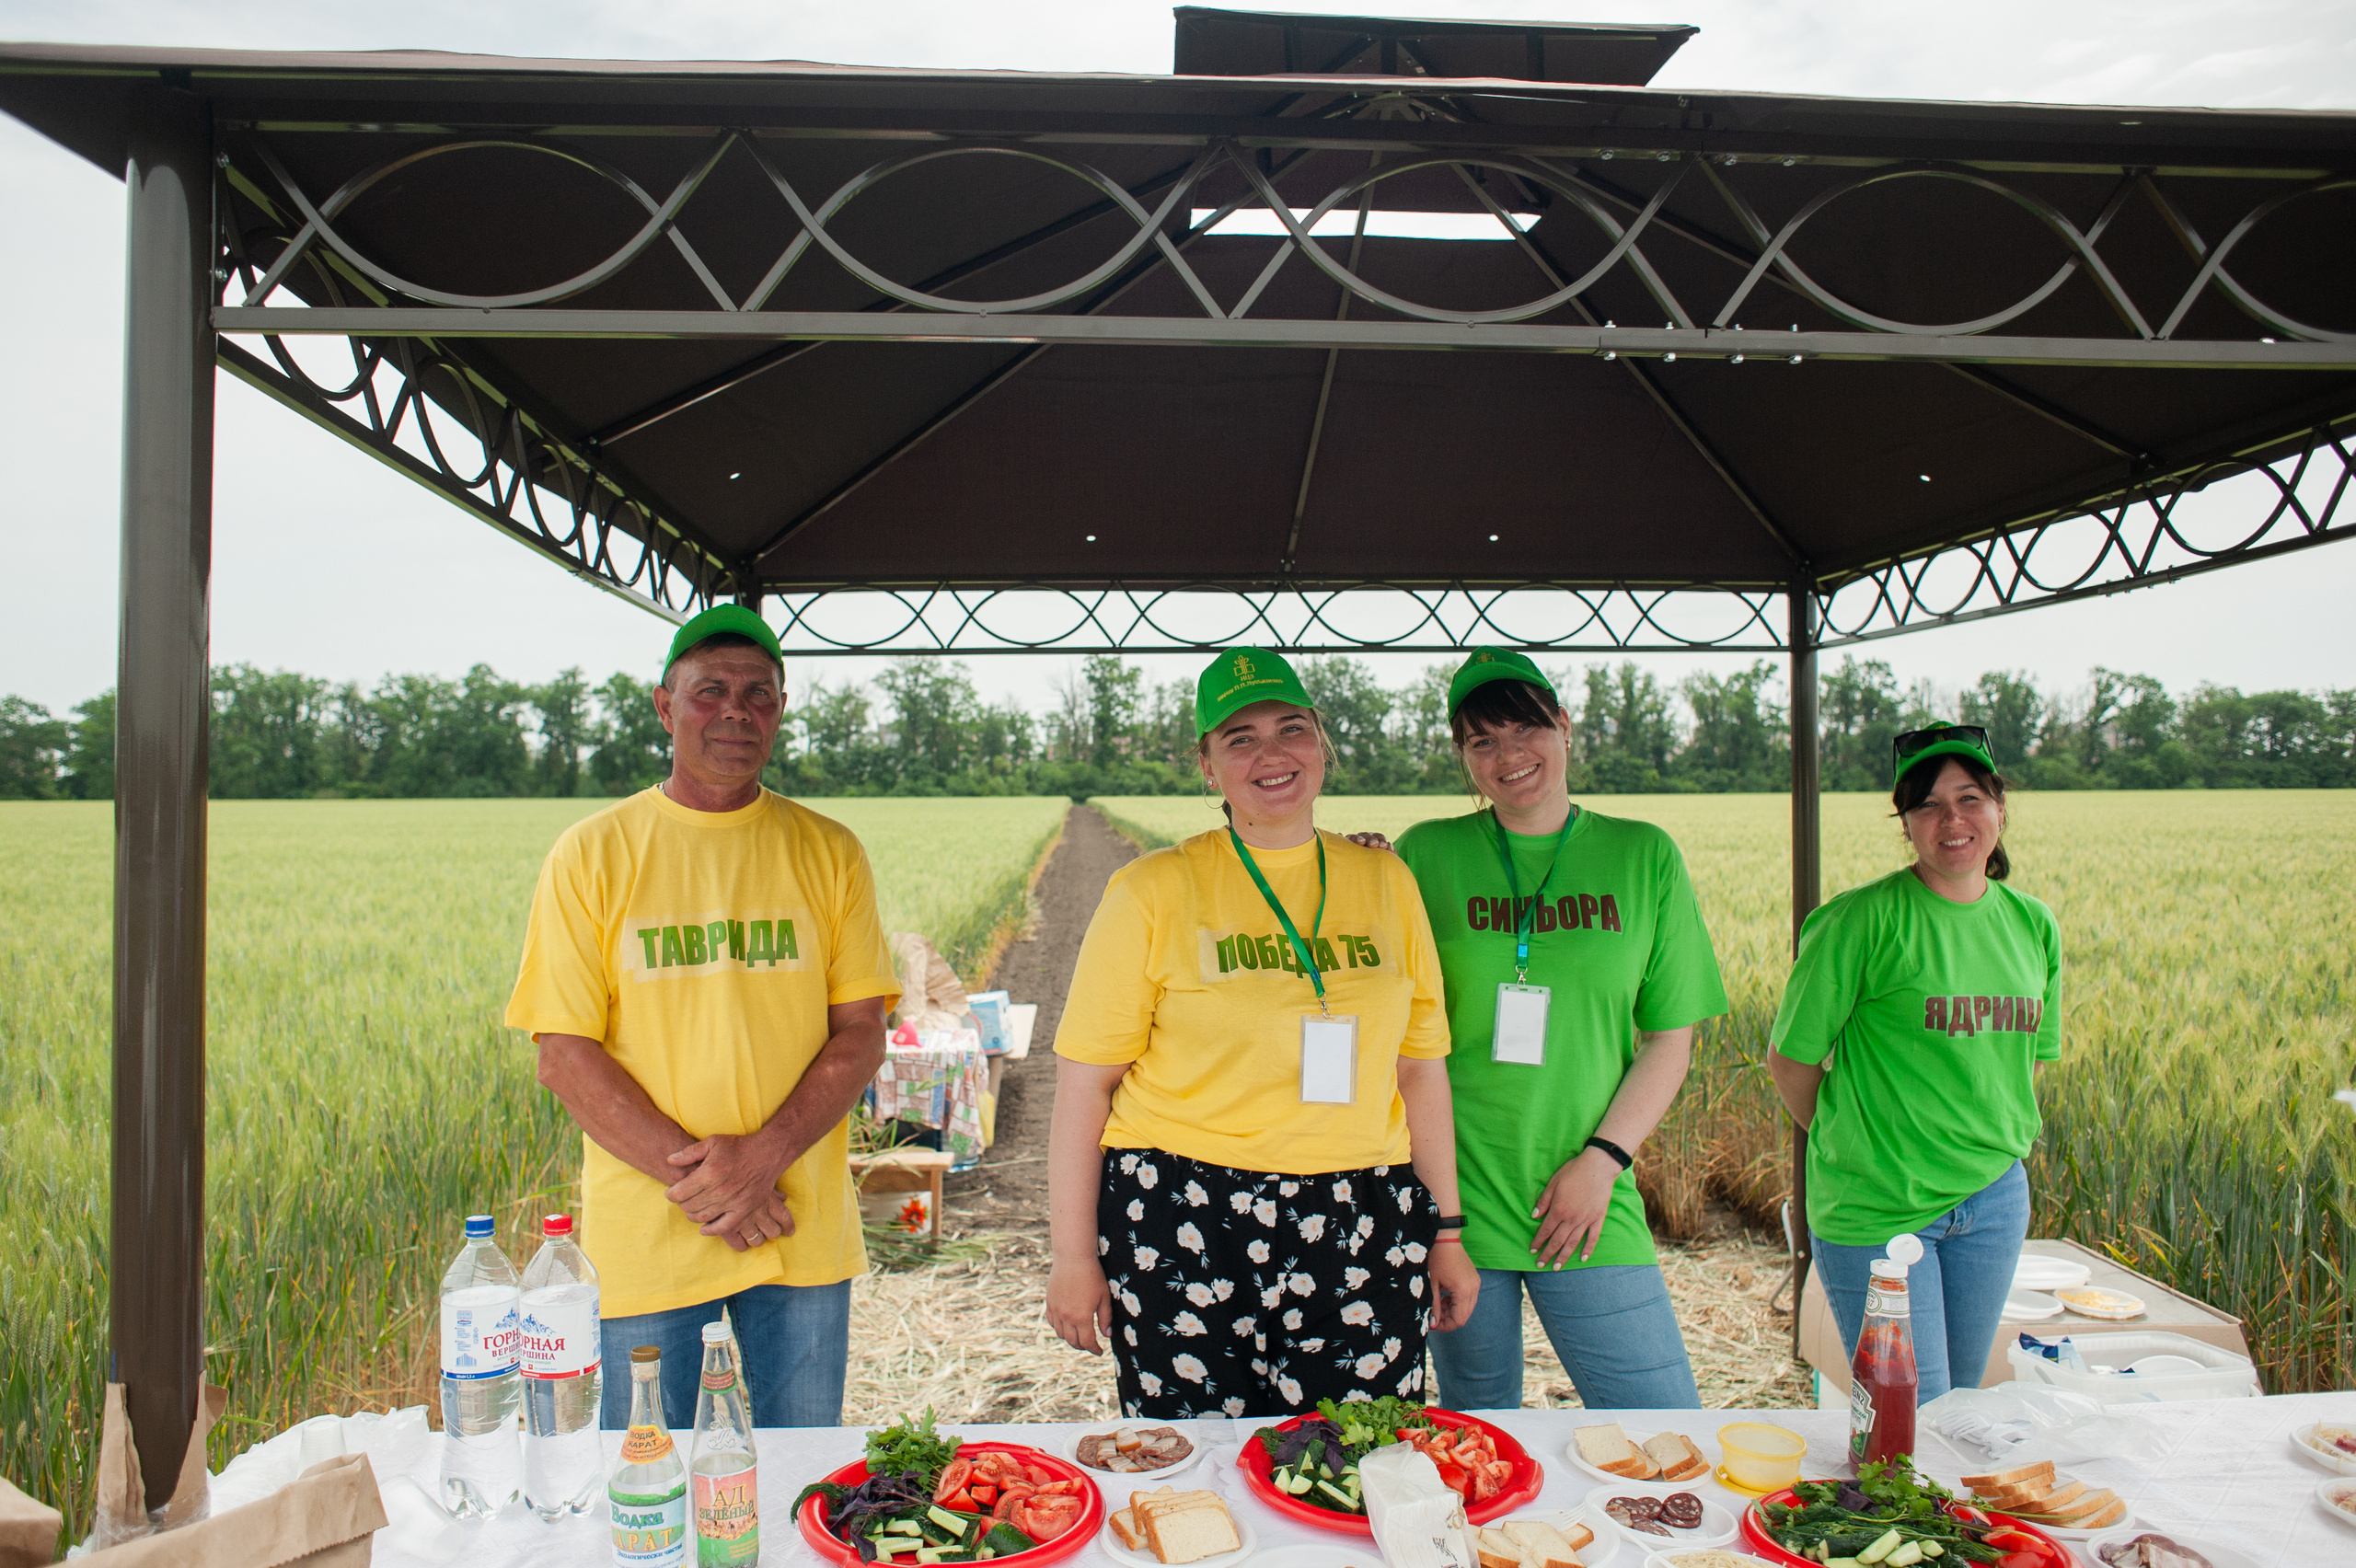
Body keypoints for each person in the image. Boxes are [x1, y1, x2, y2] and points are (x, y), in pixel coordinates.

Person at [1044, 646, 1477, 1418]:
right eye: (1239, 738)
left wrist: (1445, 1232)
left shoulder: (1387, 881)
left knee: (1359, 1459)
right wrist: (1073, 1259)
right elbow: (1086, 1085)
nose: (1271, 755)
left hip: (1362, 1216)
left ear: (1323, 745)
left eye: (1292, 728)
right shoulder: (1151, 891)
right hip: (1182, 1215)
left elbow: (1420, 1072)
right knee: (1196, 1471)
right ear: (1206, 766)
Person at [504, 604, 901, 1429]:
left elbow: (861, 1031)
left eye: (760, 694)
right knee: (648, 1481)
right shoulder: (593, 853)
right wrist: (723, 1185)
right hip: (651, 1239)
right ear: (664, 705)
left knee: (803, 1470)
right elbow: (564, 1054)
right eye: (709, 691)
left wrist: (767, 1158)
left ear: (781, 711)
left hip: (798, 1228)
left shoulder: (830, 850)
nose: (735, 712)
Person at [1388, 648, 1727, 1411]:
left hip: (1587, 1198)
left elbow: (1670, 1039)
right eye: (1482, 741)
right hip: (1455, 1203)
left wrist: (1604, 1163)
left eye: (1525, 727)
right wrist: (1361, 866)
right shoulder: (1424, 855)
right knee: (1478, 1425)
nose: (1509, 755)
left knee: (1663, 1419)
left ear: (1564, 727)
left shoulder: (1644, 856)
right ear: (1462, 757)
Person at [1767, 722, 2059, 1404]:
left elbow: (2026, 1064)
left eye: (1970, 798)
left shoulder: (2033, 924)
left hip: (1991, 1200)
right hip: (1880, 1205)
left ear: (1999, 808)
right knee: (1908, 1420)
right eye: (1927, 804)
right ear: (1905, 824)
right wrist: (1860, 1141)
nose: (1951, 820)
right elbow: (1791, 1062)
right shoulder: (1859, 922)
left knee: (1962, 1407)